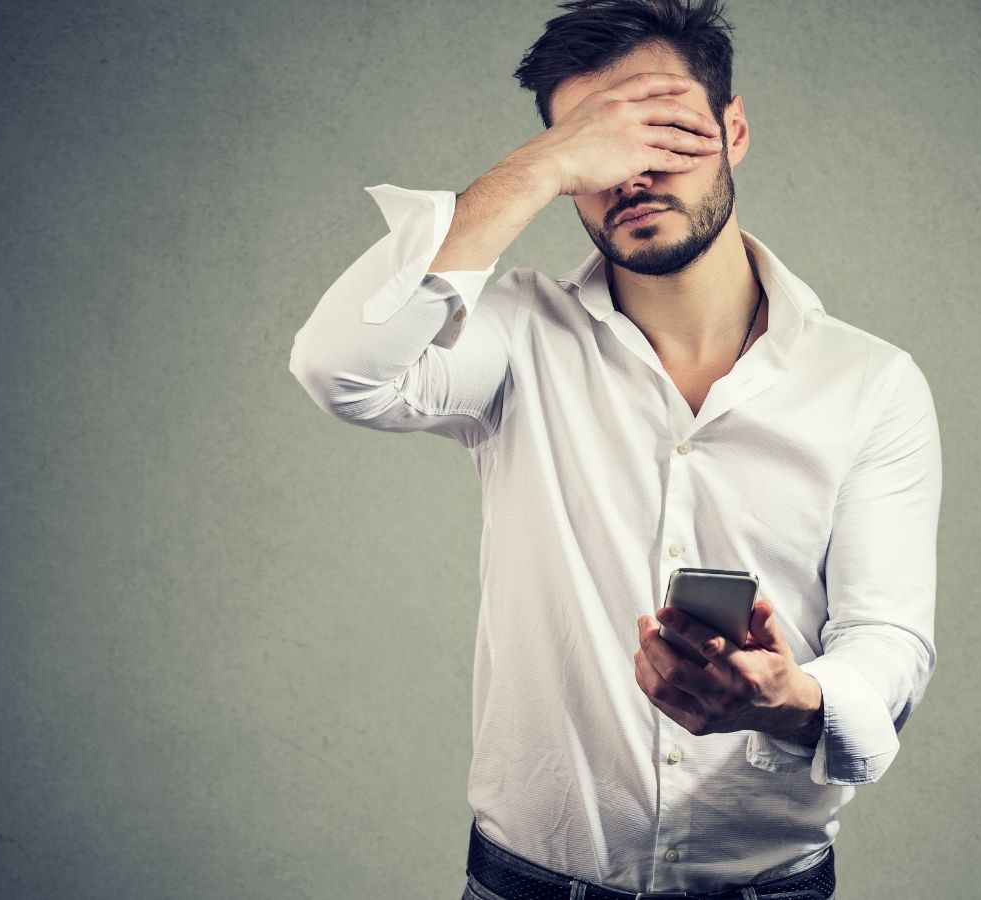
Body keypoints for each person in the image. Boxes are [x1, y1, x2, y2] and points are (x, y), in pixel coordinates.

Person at [288, 1, 943, 897]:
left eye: (663, 129)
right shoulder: (513, 332)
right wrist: (540, 165)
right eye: (598, 143)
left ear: (733, 129)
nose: (630, 170)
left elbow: (887, 642)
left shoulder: (871, 382)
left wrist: (788, 700)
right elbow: (340, 368)